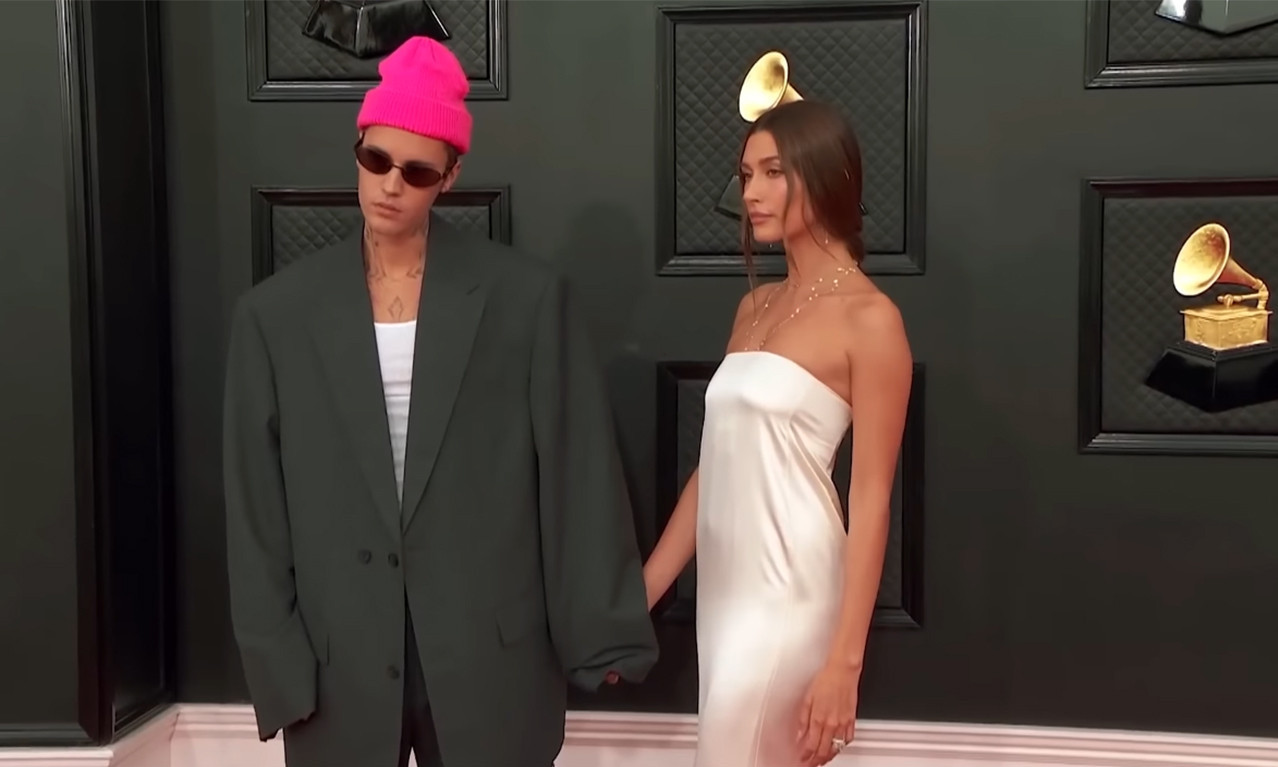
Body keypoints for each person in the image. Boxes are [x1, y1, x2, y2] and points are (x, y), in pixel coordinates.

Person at [222, 36, 658, 767]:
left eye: (417, 170)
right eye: (376, 160)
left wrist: (604, 631)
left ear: (451, 176)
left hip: (493, 663)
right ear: (358, 148)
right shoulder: (275, 316)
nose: (390, 185)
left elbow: (577, 472)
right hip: (337, 665)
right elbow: (255, 513)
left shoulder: (526, 301)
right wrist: (276, 665)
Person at [642, 99, 913, 767]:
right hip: (727, 590)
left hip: (792, 588)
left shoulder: (871, 319)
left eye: (772, 172)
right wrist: (642, 592)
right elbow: (717, 464)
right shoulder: (754, 305)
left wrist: (844, 664)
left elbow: (871, 501)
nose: (750, 194)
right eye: (745, 175)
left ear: (828, 177)